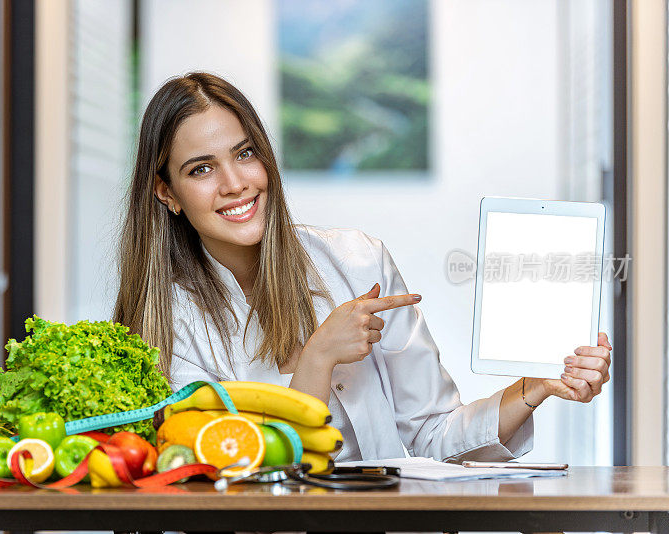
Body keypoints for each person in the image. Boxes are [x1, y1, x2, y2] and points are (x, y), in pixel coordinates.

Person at [114, 72, 612, 462]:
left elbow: (434, 436)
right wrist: (317, 359)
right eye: (201, 168)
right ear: (166, 192)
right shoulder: (165, 323)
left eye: (245, 154)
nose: (234, 183)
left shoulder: (358, 261)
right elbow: (244, 490)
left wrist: (536, 386)